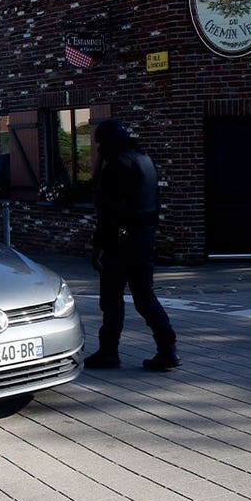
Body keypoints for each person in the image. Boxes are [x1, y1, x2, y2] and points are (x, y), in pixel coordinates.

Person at [84, 119, 179, 372]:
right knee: (145, 297)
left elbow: (108, 212)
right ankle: (167, 349)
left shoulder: (117, 165)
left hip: (120, 240)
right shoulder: (144, 160)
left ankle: (108, 352)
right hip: (144, 237)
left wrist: (99, 247)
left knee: (112, 300)